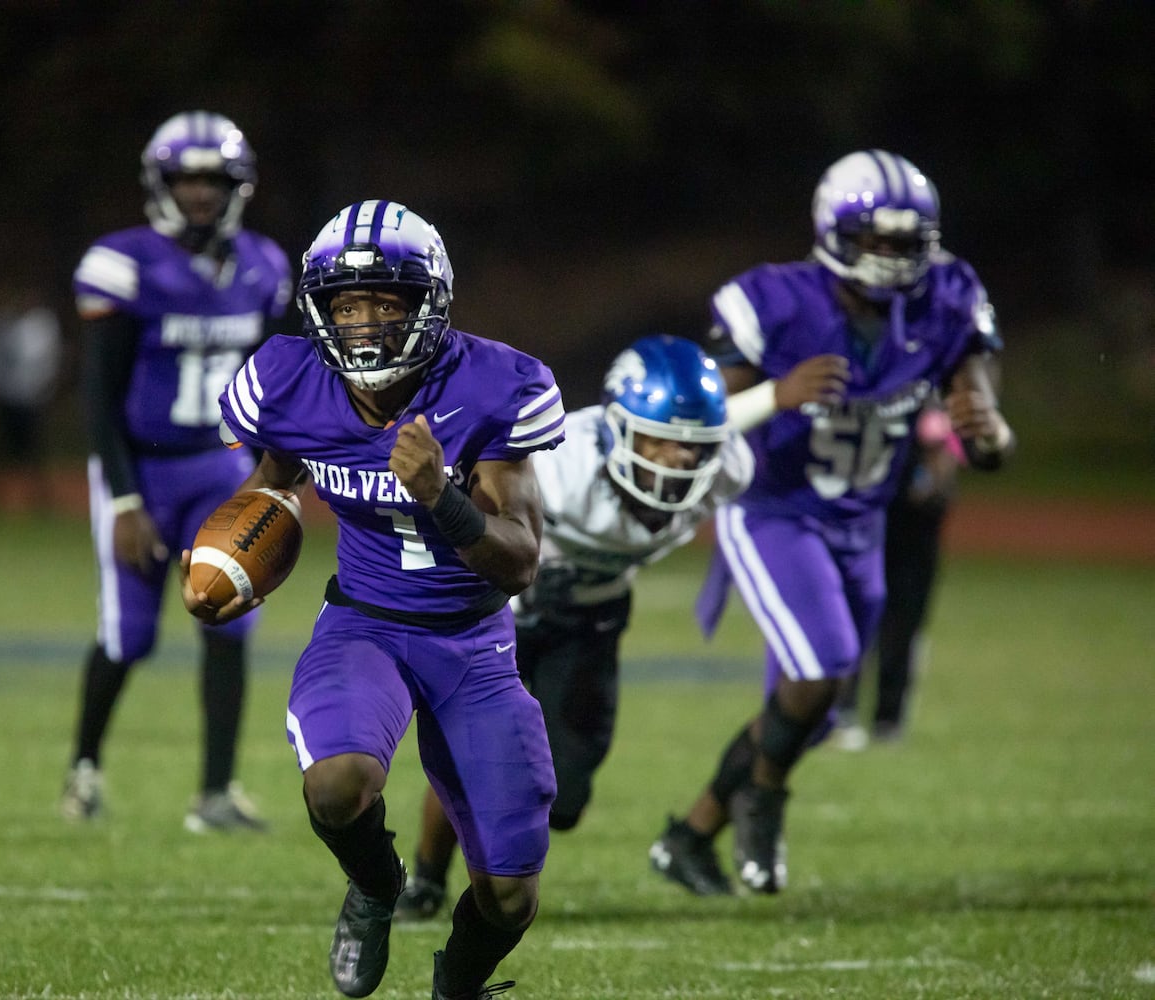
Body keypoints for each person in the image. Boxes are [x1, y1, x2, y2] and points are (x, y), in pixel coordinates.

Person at [183, 200, 565, 999]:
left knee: (510, 896)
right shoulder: (289, 381)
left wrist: (443, 498)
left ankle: (455, 988)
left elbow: (521, 561)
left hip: (474, 647)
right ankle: (377, 885)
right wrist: (232, 564)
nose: (365, 324)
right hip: (366, 624)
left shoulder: (496, 384)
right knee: (336, 783)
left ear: (429, 303)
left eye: (387, 303)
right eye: (347, 305)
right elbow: (273, 486)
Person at [650, 149, 1015, 897]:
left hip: (862, 522)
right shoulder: (775, 301)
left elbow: (985, 427)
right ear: (836, 232)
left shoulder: (948, 297)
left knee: (807, 710)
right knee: (821, 672)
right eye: (876, 238)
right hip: (773, 511)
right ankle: (764, 805)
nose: (891, 255)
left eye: (905, 241)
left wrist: (990, 433)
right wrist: (775, 396)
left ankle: (688, 837)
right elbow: (692, 422)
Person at [394, 334, 762, 921]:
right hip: (508, 613)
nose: (681, 461)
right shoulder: (558, 463)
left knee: (563, 801)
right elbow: (472, 521)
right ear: (618, 429)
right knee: (469, 754)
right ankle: (427, 880)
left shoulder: (727, 469)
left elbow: (732, 427)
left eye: (693, 448)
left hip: (593, 621)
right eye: (663, 444)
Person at [60, 111, 292, 832]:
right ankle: (84, 771)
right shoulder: (124, 265)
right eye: (186, 179)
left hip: (220, 470)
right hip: (145, 469)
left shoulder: (265, 267)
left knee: (229, 625)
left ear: (238, 187)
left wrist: (271, 476)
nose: (199, 194)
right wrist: (125, 497)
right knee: (131, 634)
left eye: (213, 180)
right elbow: (99, 395)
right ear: (161, 185)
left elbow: (272, 382)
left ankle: (216, 793)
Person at [831, 402, 963, 750]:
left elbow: (946, 452)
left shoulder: (934, 388)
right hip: (871, 519)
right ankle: (843, 712)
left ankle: (889, 717)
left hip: (914, 526)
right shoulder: (880, 387)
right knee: (857, 615)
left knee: (904, 623)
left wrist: (935, 478)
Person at [0, 284, 64, 515]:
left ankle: (40, 502)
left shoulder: (43, 325)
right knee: (0, 452)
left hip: (32, 399)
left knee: (34, 452)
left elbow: (53, 361)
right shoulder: (0, 325)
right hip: (5, 398)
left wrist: (50, 390)